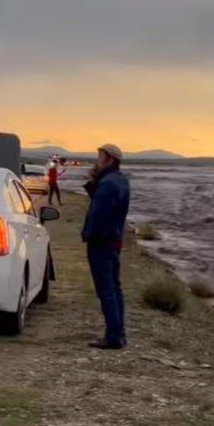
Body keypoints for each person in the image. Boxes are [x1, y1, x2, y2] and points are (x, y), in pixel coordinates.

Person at [81, 144, 132, 349]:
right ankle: (118, 334)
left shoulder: (109, 183)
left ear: (110, 159)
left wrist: (88, 233)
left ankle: (113, 337)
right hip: (113, 239)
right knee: (114, 287)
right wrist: (94, 180)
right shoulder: (119, 180)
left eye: (100, 157)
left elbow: (98, 213)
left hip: (101, 240)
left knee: (106, 290)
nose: (97, 161)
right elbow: (99, 201)